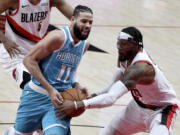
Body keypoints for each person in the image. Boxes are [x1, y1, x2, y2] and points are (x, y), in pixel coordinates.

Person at [57, 27, 179, 135]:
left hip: (162, 110)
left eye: (124, 44)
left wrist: (78, 104)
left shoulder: (139, 68)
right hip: (138, 106)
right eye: (118, 43)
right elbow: (112, 86)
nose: (119, 48)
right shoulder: (124, 56)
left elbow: (111, 98)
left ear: (136, 45)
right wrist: (91, 97)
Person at [3, 5, 93, 134]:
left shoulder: (84, 44)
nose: (88, 25)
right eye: (84, 21)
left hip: (60, 101)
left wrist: (77, 85)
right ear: (73, 19)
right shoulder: (57, 37)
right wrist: (50, 89)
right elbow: (28, 60)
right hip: (35, 96)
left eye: (90, 22)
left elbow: (71, 70)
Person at [0, 0, 73, 89]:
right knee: (32, 86)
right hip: (15, 54)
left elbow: (76, 18)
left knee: (60, 86)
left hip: (38, 53)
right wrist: (4, 40)